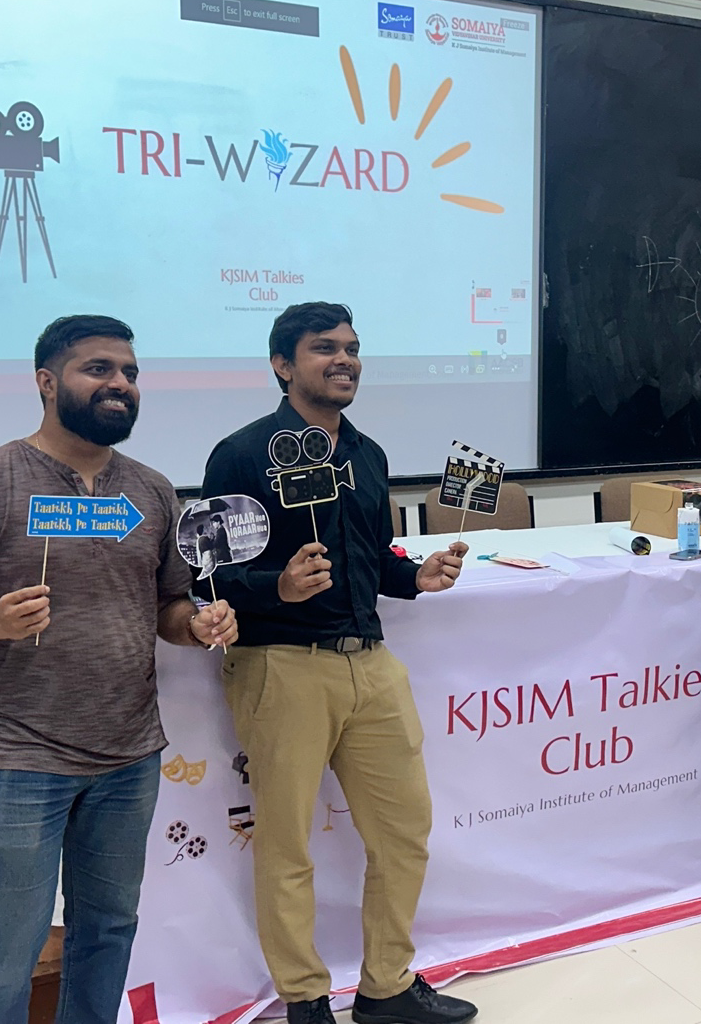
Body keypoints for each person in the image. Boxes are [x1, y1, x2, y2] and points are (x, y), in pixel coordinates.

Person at [0, 315, 237, 1024]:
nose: (120, 383)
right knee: (9, 946)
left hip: (129, 756)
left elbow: (169, 605)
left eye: (130, 372)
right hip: (19, 756)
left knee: (109, 927)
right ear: (46, 381)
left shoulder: (151, 491)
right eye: (99, 369)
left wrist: (198, 625)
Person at [199, 302, 476, 1024]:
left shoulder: (368, 455)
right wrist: (277, 587)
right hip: (281, 666)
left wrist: (417, 574)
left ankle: (386, 985)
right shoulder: (240, 455)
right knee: (287, 843)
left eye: (353, 347)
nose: (344, 359)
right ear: (283, 365)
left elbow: (373, 557)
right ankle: (305, 998)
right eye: (325, 348)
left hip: (371, 661)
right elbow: (208, 580)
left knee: (404, 829)